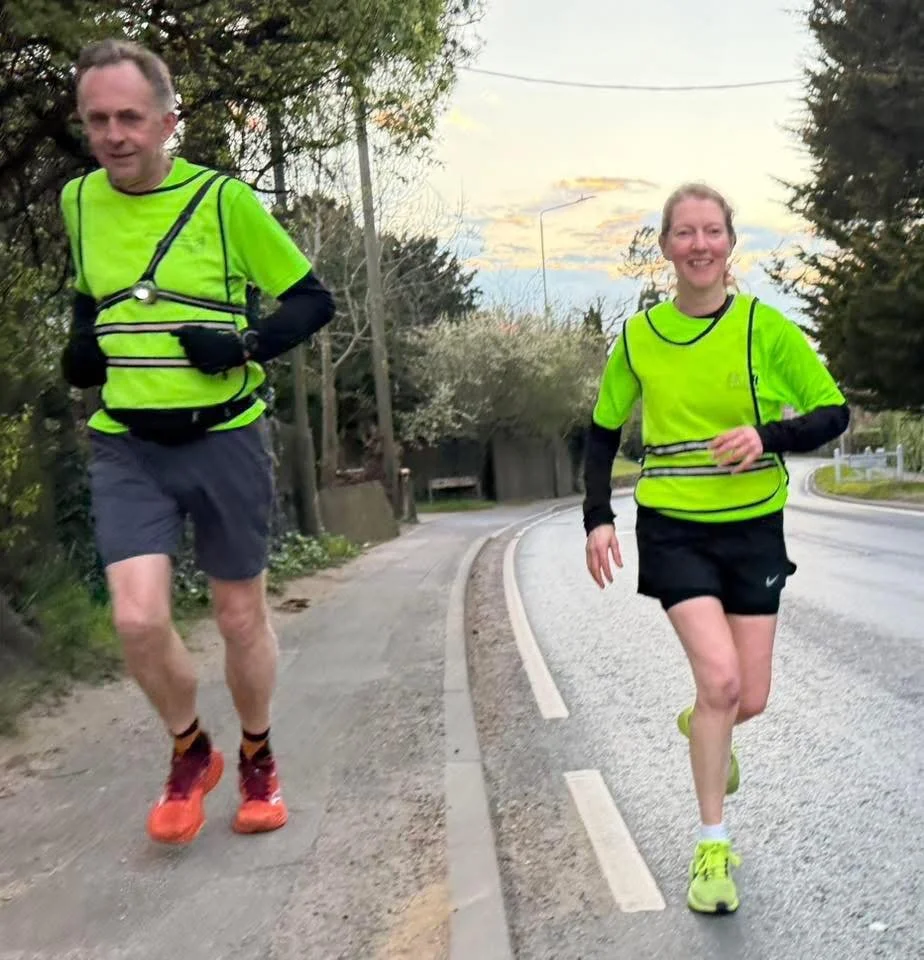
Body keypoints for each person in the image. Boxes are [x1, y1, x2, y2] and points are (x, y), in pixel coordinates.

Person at [59, 39, 335, 845]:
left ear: (168, 122)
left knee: (237, 615)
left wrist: (244, 344)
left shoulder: (223, 202)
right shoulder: (79, 202)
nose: (113, 134)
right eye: (97, 119)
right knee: (138, 621)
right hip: (127, 445)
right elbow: (89, 295)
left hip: (223, 438)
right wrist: (81, 346)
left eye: (130, 118)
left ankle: (257, 755)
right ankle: (191, 751)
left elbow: (310, 303)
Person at [582, 183, 849, 914]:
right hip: (673, 527)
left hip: (754, 525)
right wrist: (597, 515)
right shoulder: (639, 337)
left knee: (747, 698)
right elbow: (603, 430)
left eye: (713, 232)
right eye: (684, 232)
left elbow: (832, 411)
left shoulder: (766, 328)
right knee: (722, 682)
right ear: (665, 246)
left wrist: (767, 436)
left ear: (730, 243)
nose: (699, 244)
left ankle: (704, 722)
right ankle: (710, 848)